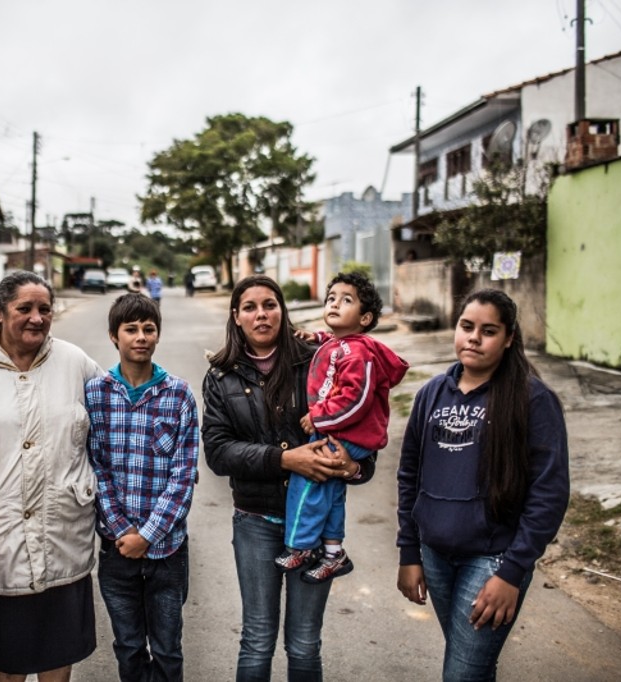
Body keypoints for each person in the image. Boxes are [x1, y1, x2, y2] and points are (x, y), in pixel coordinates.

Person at [201, 274, 375, 681]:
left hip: (313, 528)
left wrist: (357, 468)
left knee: (303, 642)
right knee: (257, 639)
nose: (261, 314)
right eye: (250, 307)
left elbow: (359, 424)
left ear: (282, 309)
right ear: (237, 317)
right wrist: (286, 460)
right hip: (255, 521)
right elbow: (218, 452)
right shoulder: (221, 375)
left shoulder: (321, 358)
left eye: (270, 304)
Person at [396, 289, 569, 681]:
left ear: (509, 338)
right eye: (466, 326)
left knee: (462, 674)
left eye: (488, 331)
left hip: (492, 560)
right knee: (470, 665)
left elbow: (550, 491)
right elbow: (409, 475)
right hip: (434, 555)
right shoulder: (431, 394)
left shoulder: (532, 398)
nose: (474, 337)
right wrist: (409, 551)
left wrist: (511, 572)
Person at [0, 271, 102, 682]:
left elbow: (115, 423)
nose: (36, 318)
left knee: (58, 656)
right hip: (0, 536)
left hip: (63, 529)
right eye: (24, 308)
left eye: (44, 309)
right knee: (8, 662)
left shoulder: (75, 362)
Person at [85, 293, 199, 681]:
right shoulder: (96, 394)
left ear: (158, 335)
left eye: (148, 329)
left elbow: (183, 476)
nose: (141, 337)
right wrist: (123, 531)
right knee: (129, 647)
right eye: (130, 329)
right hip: (117, 552)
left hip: (168, 551)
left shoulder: (179, 395)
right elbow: (95, 467)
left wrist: (147, 536)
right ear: (114, 336)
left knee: (167, 648)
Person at [277, 273, 409, 582]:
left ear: (365, 318)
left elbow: (356, 399)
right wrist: (317, 338)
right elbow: (335, 348)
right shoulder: (343, 344)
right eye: (331, 298)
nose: (335, 303)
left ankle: (300, 546)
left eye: (346, 300)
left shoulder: (358, 353)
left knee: (308, 477)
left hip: (350, 432)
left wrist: (320, 418)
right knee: (331, 489)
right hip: (344, 430)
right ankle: (334, 553)